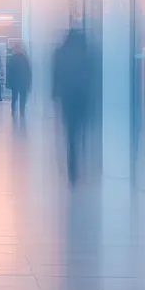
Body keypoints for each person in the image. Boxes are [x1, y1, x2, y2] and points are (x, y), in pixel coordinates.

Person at [52, 27, 94, 186]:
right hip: (84, 97)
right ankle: (83, 161)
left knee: (70, 133)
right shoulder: (86, 53)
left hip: (67, 98)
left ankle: (73, 167)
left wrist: (54, 94)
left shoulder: (60, 52)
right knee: (82, 129)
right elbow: (92, 74)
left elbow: (55, 75)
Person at [6, 42, 32, 119]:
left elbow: (28, 71)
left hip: (19, 81)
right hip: (18, 82)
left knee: (19, 97)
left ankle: (20, 111)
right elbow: (28, 71)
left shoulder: (16, 59)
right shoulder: (22, 59)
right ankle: (16, 110)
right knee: (16, 97)